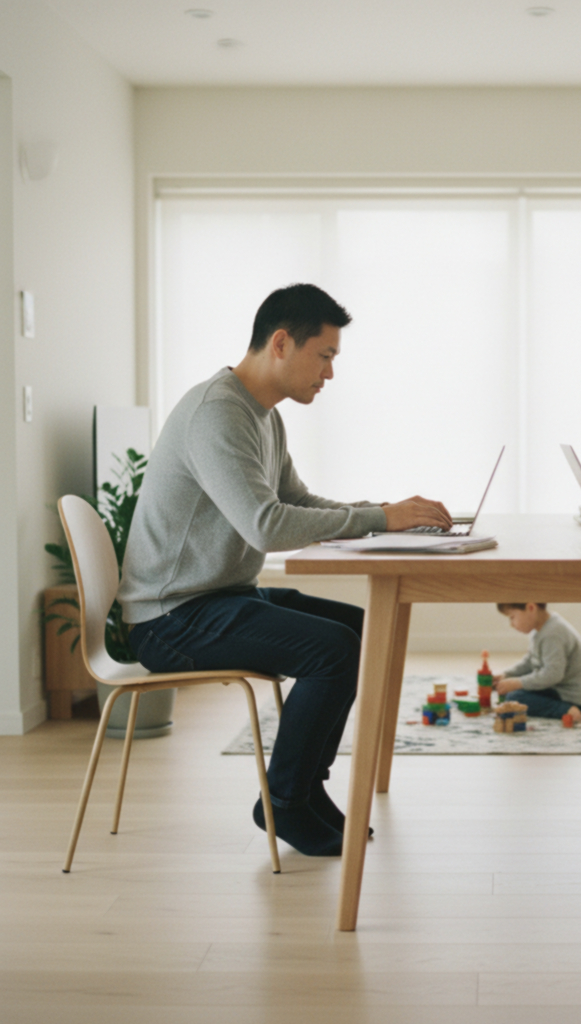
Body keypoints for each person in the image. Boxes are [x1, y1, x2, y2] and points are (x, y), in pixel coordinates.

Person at [118, 283, 452, 857]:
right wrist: (380, 517)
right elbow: (267, 526)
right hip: (171, 618)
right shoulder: (217, 413)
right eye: (324, 356)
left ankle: (303, 788)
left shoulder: (262, 416)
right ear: (281, 343)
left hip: (219, 597)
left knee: (360, 630)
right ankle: (284, 800)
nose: (329, 374)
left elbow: (297, 500)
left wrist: (389, 517)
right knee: (334, 651)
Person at [492, 603, 581, 723]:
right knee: (510, 693)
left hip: (570, 695)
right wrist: (507, 675)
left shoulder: (552, 633)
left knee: (515, 697)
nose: (511, 624)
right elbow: (530, 662)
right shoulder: (541, 628)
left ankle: (566, 710)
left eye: (512, 617)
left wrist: (518, 683)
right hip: (557, 687)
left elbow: (553, 674)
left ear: (531, 608)